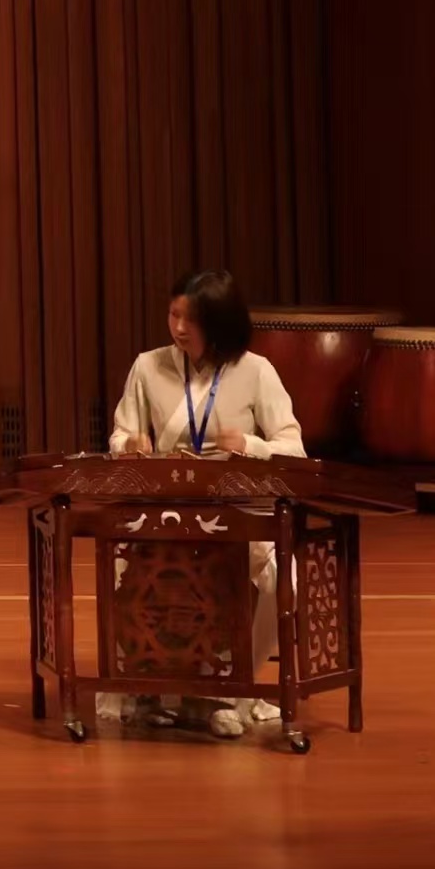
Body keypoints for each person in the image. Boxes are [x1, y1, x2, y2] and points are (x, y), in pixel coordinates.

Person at [100, 269, 306, 739]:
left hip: (238, 512)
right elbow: (118, 435)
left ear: (219, 323)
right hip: (166, 510)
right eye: (173, 315)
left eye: (190, 320)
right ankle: (148, 684)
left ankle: (239, 686)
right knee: (117, 567)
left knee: (285, 578)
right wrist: (129, 444)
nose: (178, 328)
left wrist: (250, 445)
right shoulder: (148, 367)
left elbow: (294, 448)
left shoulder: (255, 371)